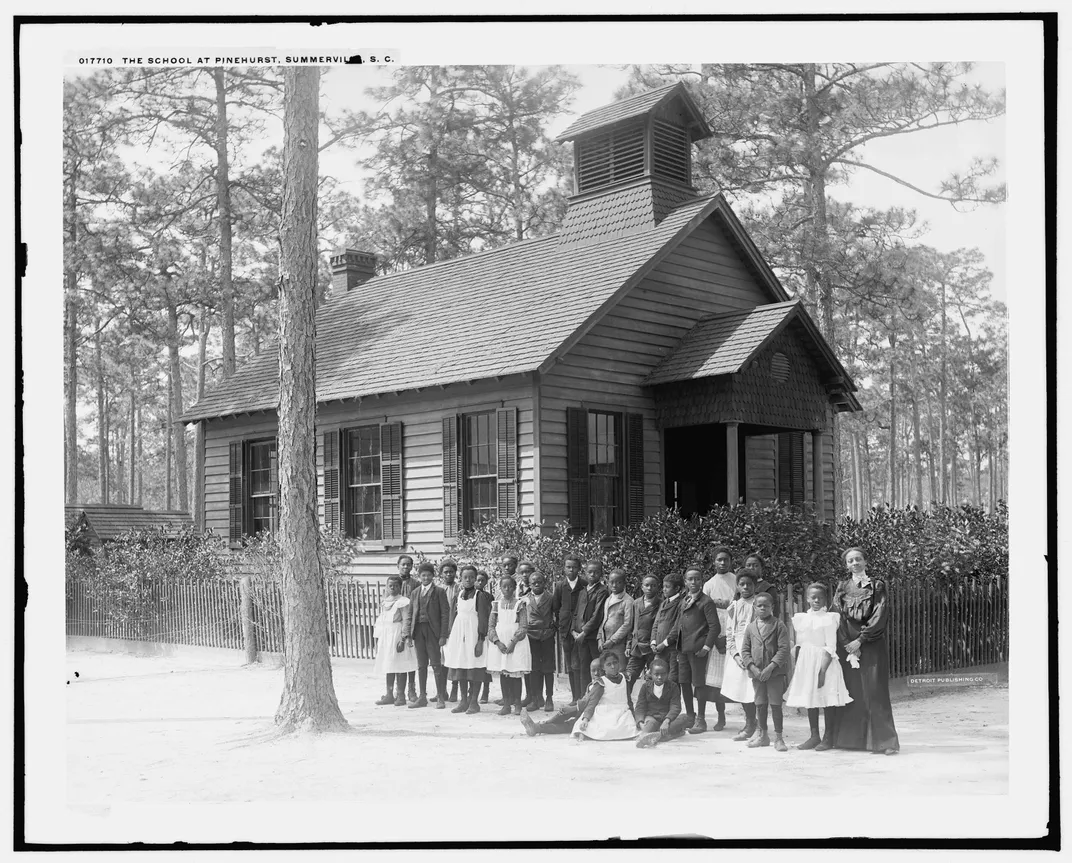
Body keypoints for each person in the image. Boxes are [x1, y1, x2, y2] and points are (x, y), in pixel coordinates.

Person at [832, 547, 900, 755]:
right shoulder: (842, 587)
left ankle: (885, 742)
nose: (855, 563)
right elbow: (837, 616)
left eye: (858, 559)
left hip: (871, 644)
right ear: (846, 565)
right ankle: (852, 741)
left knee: (874, 690)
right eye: (851, 561)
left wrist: (860, 641)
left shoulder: (877, 586)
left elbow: (880, 614)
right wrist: (847, 644)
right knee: (853, 691)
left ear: (865, 562)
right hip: (847, 646)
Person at [786, 582, 852, 750]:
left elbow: (830, 646)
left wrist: (822, 671)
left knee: (826, 699)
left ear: (826, 600)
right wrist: (799, 666)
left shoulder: (829, 619)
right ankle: (814, 736)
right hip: (807, 663)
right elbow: (801, 643)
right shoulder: (802, 618)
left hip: (824, 662)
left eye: (820, 598)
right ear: (807, 598)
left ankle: (828, 737)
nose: (816, 600)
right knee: (811, 699)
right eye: (813, 597)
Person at [668, 566, 722, 734]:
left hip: (698, 650)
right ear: (685, 582)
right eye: (690, 579)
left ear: (702, 581)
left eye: (697, 579)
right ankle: (690, 716)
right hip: (682, 649)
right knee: (684, 681)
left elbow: (715, 627)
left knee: (698, 683)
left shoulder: (706, 602)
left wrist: (706, 647)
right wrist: (669, 643)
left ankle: (701, 719)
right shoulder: (684, 601)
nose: (694, 582)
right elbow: (678, 625)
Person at [740, 592, 791, 751]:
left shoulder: (779, 625)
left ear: (772, 608)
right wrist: (753, 668)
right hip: (756, 674)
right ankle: (762, 735)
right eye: (759, 605)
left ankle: (779, 738)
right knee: (760, 703)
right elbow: (745, 650)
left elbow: (784, 650)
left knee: (775, 704)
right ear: (754, 607)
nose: (762, 608)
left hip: (774, 673)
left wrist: (770, 668)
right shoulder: (750, 628)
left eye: (766, 606)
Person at [443, 564, 491, 715]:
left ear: (476, 578)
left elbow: (484, 619)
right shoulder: (459, 595)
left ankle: (474, 701)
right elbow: (453, 617)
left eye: (472, 577)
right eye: (465, 577)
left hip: (474, 635)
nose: (469, 580)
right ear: (461, 578)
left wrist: (480, 640)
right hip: (459, 636)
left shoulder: (480, 596)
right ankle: (463, 701)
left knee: (474, 667)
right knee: (461, 667)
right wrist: (451, 636)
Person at [519, 658, 603, 737]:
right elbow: (585, 701)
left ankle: (539, 727)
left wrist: (573, 708)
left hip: (592, 715)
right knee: (565, 712)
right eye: (593, 671)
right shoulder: (593, 684)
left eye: (599, 670)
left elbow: (588, 703)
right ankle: (542, 724)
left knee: (568, 725)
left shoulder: (600, 685)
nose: (596, 673)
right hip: (585, 710)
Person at [722, 571, 760, 742]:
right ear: (737, 586)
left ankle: (758, 725)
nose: (745, 587)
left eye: (749, 584)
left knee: (754, 690)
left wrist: (753, 656)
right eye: (742, 584)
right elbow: (729, 634)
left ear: (755, 586)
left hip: (755, 651)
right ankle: (750, 722)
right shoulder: (734, 607)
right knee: (742, 690)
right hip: (738, 653)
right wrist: (736, 656)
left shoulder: (759, 605)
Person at [486, 575, 532, 716]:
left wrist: (513, 642)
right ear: (500, 588)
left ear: (514, 588)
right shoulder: (496, 604)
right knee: (504, 674)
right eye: (504, 586)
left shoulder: (520, 604)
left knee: (515, 673)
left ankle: (517, 703)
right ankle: (506, 704)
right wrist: (497, 642)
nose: (507, 589)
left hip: (516, 643)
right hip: (500, 644)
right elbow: (491, 626)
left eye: (510, 586)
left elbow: (524, 626)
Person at [702, 546, 737, 731]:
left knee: (737, 676)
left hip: (734, 634)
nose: (722, 563)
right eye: (719, 559)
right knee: (717, 681)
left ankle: (749, 719)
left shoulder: (737, 581)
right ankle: (721, 717)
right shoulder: (708, 585)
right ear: (714, 562)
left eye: (726, 559)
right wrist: (716, 638)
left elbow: (740, 606)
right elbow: (706, 613)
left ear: (731, 561)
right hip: (716, 634)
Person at [408, 562, 451, 709]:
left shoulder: (439, 592)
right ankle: (422, 697)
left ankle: (440, 697)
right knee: (421, 665)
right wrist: (408, 634)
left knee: (436, 664)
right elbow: (410, 614)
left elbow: (445, 614)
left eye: (428, 575)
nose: (426, 578)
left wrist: (443, 635)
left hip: (433, 631)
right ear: (419, 577)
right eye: (423, 575)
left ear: (433, 576)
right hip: (418, 631)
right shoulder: (415, 593)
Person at [373, 574, 417, 707]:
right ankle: (389, 694)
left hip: (397, 635)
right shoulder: (385, 601)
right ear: (387, 587)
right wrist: (377, 638)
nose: (392, 588)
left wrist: (403, 639)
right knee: (389, 665)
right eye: (390, 586)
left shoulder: (403, 601)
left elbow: (406, 620)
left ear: (400, 586)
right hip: (386, 636)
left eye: (396, 586)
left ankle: (401, 695)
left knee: (400, 665)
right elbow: (380, 622)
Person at [572, 650, 636, 741]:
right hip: (605, 713)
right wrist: (586, 719)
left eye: (615, 663)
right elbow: (592, 703)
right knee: (599, 726)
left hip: (622, 712)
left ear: (619, 663)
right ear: (603, 668)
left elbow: (628, 700)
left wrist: (634, 715)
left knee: (629, 725)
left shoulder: (625, 679)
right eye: (609, 665)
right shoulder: (601, 682)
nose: (613, 666)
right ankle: (584, 733)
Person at [633, 656, 691, 748]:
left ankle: (655, 736)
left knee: (684, 718)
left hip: (668, 719)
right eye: (656, 674)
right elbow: (640, 706)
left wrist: (667, 721)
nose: (660, 677)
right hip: (652, 717)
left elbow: (675, 706)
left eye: (663, 674)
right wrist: (640, 723)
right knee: (649, 725)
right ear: (650, 674)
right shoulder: (645, 687)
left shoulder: (673, 686)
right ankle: (656, 736)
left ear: (667, 674)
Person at [552, 555, 587, 704]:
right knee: (570, 666)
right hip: (566, 631)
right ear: (564, 568)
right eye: (568, 567)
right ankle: (574, 697)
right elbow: (556, 608)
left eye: (574, 567)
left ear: (579, 569)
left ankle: (582, 696)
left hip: (581, 630)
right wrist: (561, 626)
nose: (571, 570)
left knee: (580, 663)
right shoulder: (560, 586)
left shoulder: (584, 584)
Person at [571, 560, 608, 697]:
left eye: (596, 572)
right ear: (585, 573)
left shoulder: (602, 592)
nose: (593, 574)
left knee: (598, 668)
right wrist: (573, 631)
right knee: (583, 668)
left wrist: (584, 631)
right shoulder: (582, 591)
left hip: (592, 637)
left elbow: (597, 615)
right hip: (580, 637)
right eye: (590, 572)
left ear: (601, 574)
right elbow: (575, 613)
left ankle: (599, 697)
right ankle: (583, 699)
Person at [521, 571, 557, 712]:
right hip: (531, 637)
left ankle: (549, 698)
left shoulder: (551, 597)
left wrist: (552, 628)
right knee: (534, 668)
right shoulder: (525, 599)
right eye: (534, 582)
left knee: (548, 669)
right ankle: (536, 698)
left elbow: (557, 615)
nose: (537, 584)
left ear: (545, 583)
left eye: (540, 582)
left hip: (546, 636)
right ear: (529, 584)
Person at [624, 574, 660, 708]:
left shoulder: (661, 604)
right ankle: (628, 706)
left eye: (653, 585)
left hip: (652, 648)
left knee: (653, 679)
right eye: (647, 585)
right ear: (642, 587)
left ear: (658, 587)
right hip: (636, 647)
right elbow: (631, 626)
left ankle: (652, 708)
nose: (650, 588)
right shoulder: (636, 603)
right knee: (629, 677)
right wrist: (629, 644)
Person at [396, 555, 422, 702]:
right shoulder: (393, 582)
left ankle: (411, 690)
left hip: (412, 624)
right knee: (399, 658)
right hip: (397, 625)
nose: (405, 567)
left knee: (411, 659)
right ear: (398, 565)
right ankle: (399, 692)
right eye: (403, 565)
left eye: (408, 565)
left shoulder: (416, 584)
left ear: (412, 567)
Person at [596, 569, 634, 672]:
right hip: (605, 643)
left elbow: (627, 624)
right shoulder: (608, 599)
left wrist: (612, 640)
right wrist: (599, 638)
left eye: (618, 582)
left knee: (618, 672)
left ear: (624, 584)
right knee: (606, 673)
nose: (614, 585)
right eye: (611, 582)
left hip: (618, 644)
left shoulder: (627, 601)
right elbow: (604, 621)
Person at [650, 572, 684, 682]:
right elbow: (656, 624)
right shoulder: (663, 603)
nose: (664, 589)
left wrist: (664, 644)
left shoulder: (680, 603)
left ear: (677, 588)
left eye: (667, 587)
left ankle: (673, 699)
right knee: (656, 676)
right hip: (659, 649)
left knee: (672, 679)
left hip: (671, 649)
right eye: (663, 586)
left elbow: (677, 627)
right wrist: (653, 642)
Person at [438, 558, 461, 703]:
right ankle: (442, 691)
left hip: (454, 628)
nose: (449, 575)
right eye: (446, 572)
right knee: (440, 661)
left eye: (451, 572)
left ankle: (454, 689)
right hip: (440, 629)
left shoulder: (459, 589)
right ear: (441, 574)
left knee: (454, 660)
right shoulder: (438, 589)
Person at [474, 570, 494, 703]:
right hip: (471, 630)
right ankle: (472, 691)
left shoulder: (488, 597)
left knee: (485, 663)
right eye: (478, 580)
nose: (480, 583)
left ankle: (485, 691)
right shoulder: (468, 595)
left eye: (482, 580)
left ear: (486, 582)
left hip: (484, 632)